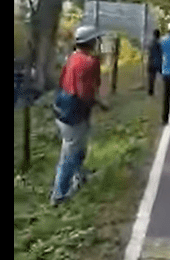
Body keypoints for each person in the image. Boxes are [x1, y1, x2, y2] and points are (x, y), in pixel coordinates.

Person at [49, 25, 110, 206]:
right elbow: (87, 92)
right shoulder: (91, 62)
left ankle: (80, 177)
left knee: (78, 146)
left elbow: (62, 82)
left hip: (61, 106)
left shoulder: (72, 58)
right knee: (70, 153)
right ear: (91, 42)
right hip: (75, 111)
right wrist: (100, 104)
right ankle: (59, 195)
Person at [146, 29, 162, 97]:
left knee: (151, 77)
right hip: (158, 62)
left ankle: (151, 91)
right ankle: (162, 91)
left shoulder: (150, 43)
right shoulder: (160, 43)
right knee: (162, 77)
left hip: (151, 61)